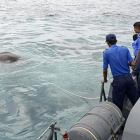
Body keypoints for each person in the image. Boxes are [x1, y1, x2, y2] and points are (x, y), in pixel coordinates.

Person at [102, 34, 139, 111]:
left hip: (118, 82)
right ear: (116, 41)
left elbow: (105, 69)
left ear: (107, 42)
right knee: (136, 102)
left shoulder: (106, 53)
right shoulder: (125, 49)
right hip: (129, 79)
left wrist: (105, 79)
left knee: (117, 107)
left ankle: (121, 121)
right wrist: (125, 63)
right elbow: (133, 63)